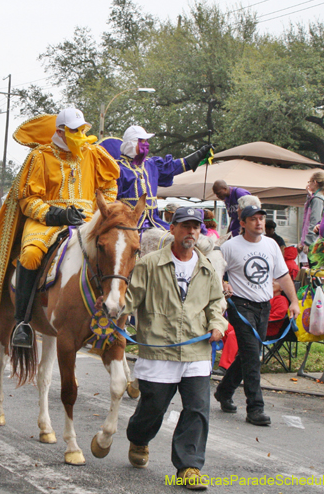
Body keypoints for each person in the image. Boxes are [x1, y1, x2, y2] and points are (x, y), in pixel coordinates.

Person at [0, 108, 118, 345]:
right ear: (59, 131)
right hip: (46, 221)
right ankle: (23, 323)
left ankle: (114, 316)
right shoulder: (40, 156)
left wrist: (100, 211)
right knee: (31, 255)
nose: (80, 134)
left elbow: (109, 187)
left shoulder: (94, 154)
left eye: (82, 130)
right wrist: (56, 214)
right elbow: (27, 199)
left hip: (87, 219)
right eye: (74, 131)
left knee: (117, 250)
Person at [123, 207, 226, 488]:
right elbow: (130, 298)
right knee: (153, 407)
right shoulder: (149, 264)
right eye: (185, 226)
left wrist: (218, 324)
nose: (191, 231)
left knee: (197, 409)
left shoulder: (206, 267)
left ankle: (189, 467)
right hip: (159, 349)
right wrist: (112, 309)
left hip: (196, 350)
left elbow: (216, 303)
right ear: (173, 229)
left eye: (196, 226)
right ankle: (139, 437)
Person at [215, 205, 300, 426]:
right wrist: (223, 284)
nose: (259, 223)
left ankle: (224, 391)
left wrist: (294, 301)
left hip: (265, 305)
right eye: (253, 219)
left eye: (261, 218)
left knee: (247, 354)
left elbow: (282, 275)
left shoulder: (271, 245)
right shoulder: (230, 247)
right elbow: (216, 274)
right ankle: (255, 408)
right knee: (253, 356)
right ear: (242, 223)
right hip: (241, 306)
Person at [99, 126, 212, 230]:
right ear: (131, 144)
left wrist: (199, 154)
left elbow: (173, 167)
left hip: (155, 222)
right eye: (142, 141)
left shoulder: (152, 164)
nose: (146, 145)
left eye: (147, 141)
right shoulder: (117, 168)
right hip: (127, 225)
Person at [299, 172, 324, 258]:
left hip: (314, 241)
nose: (308, 184)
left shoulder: (317, 200)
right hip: (316, 240)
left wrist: (308, 242)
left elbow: (314, 221)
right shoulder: (318, 198)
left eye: (309, 182)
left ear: (315, 182)